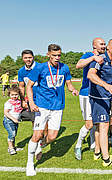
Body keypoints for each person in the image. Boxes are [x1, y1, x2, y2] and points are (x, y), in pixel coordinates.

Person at [26, 44, 79, 176]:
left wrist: (72, 90)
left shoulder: (64, 67)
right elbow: (29, 86)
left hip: (57, 107)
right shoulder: (40, 68)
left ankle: (41, 146)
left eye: (59, 55)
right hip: (42, 106)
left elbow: (69, 83)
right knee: (37, 135)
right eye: (54, 55)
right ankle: (30, 163)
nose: (57, 58)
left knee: (52, 136)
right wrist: (31, 103)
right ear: (48, 55)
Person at [87, 39, 112, 166]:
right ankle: (107, 159)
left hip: (106, 98)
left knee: (100, 126)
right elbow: (90, 75)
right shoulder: (100, 59)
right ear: (108, 47)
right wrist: (106, 86)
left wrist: (110, 83)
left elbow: (107, 77)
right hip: (98, 98)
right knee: (104, 126)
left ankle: (97, 152)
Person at [74, 38, 106, 160]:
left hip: (99, 94)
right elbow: (78, 65)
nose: (104, 45)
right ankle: (78, 145)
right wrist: (93, 58)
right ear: (94, 45)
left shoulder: (105, 57)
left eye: (104, 44)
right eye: (101, 44)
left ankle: (93, 144)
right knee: (89, 123)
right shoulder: (88, 55)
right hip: (86, 93)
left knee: (97, 121)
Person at [3, 86, 23, 155]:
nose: (14, 96)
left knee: (14, 134)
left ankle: (14, 147)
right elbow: (6, 112)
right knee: (12, 134)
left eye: (16, 94)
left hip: (15, 121)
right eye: (12, 95)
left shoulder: (18, 101)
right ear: (9, 95)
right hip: (8, 121)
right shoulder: (8, 103)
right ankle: (10, 148)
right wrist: (13, 119)